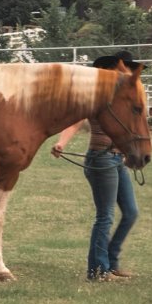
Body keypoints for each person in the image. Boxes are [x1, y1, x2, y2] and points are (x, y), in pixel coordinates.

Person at [51, 51, 140, 282]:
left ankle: (110, 262)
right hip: (101, 159)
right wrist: (62, 142)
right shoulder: (96, 95)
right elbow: (76, 120)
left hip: (117, 160)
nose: (126, 73)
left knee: (130, 213)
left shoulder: (124, 96)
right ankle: (98, 270)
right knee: (105, 216)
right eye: (122, 68)